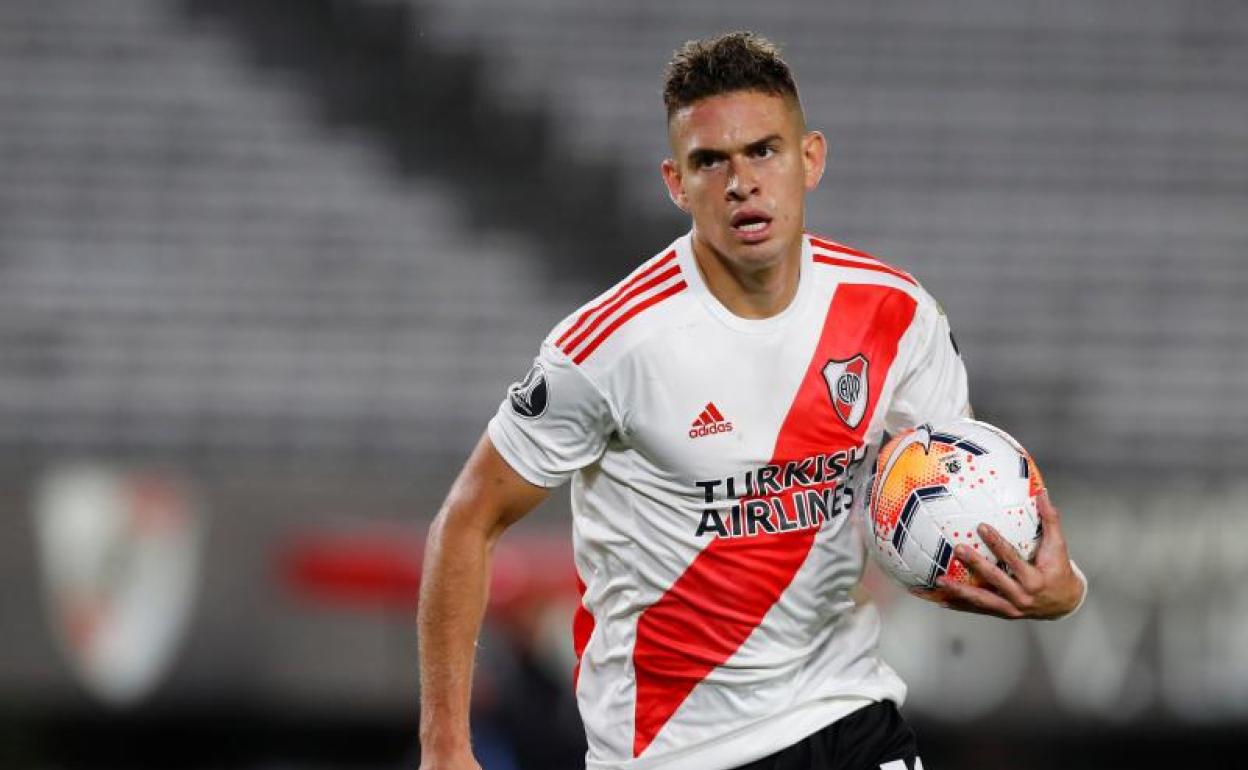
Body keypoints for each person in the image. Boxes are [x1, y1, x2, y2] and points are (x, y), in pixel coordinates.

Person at [418, 31, 1087, 770]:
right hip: (672, 749)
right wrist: (446, 747)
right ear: (676, 182)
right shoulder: (610, 345)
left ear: (811, 158)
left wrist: (1056, 587)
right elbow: (467, 521)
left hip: (848, 716)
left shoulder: (896, 315)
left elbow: (946, 517)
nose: (741, 181)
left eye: (763, 150)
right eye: (711, 161)